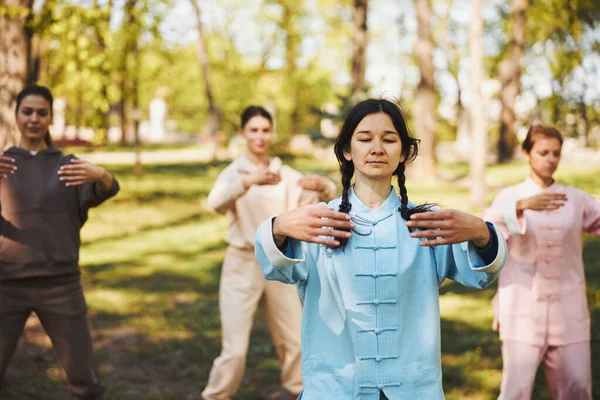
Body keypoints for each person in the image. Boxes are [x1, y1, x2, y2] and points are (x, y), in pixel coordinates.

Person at [254, 98, 507, 399]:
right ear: (347, 150)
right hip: (335, 387)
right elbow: (275, 267)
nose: (377, 148)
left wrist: (482, 233)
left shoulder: (425, 225)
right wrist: (278, 228)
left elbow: (479, 274)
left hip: (412, 387)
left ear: (403, 153)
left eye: (389, 139)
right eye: (364, 139)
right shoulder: (320, 222)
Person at [202, 105, 336, 400]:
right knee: (234, 350)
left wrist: (324, 185)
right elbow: (215, 202)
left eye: (265, 130)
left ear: (271, 133)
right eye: (253, 130)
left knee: (295, 343)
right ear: (243, 133)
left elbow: (323, 201)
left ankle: (299, 393)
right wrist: (249, 181)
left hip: (279, 262)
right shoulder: (234, 172)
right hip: (242, 262)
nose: (260, 136)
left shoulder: (284, 173)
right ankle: (215, 396)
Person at [0, 85, 119, 399]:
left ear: (51, 116)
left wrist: (102, 174)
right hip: (7, 285)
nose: (34, 119)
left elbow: (109, 188)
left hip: (61, 285)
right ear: (16, 116)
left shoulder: (67, 166)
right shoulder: (3, 165)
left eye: (42, 112)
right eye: (27, 111)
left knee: (85, 382)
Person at [483, 125, 600, 400]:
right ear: (527, 154)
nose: (550, 159)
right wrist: (521, 207)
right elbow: (485, 228)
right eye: (543, 152)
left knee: (577, 389)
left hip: (569, 310)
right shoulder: (509, 197)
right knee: (515, 391)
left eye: (556, 153)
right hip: (521, 310)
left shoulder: (576, 198)